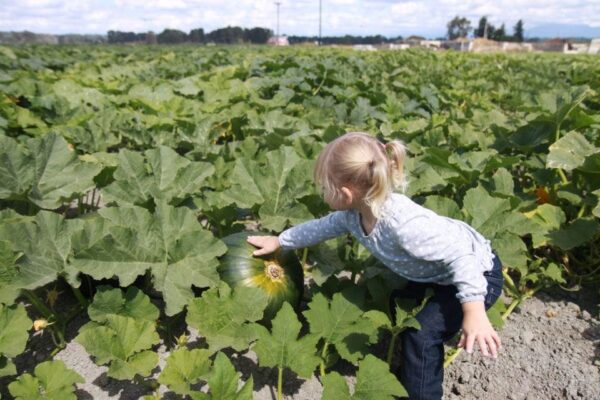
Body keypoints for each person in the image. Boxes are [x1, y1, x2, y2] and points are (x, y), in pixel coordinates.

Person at [246, 131, 504, 400]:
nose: (321, 192)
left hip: (478, 275)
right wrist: (280, 240)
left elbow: (462, 256)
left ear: (345, 194)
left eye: (324, 187)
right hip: (436, 273)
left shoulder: (405, 227)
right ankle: (407, 365)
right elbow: (320, 228)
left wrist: (474, 311)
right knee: (399, 302)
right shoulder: (352, 215)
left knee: (423, 333)